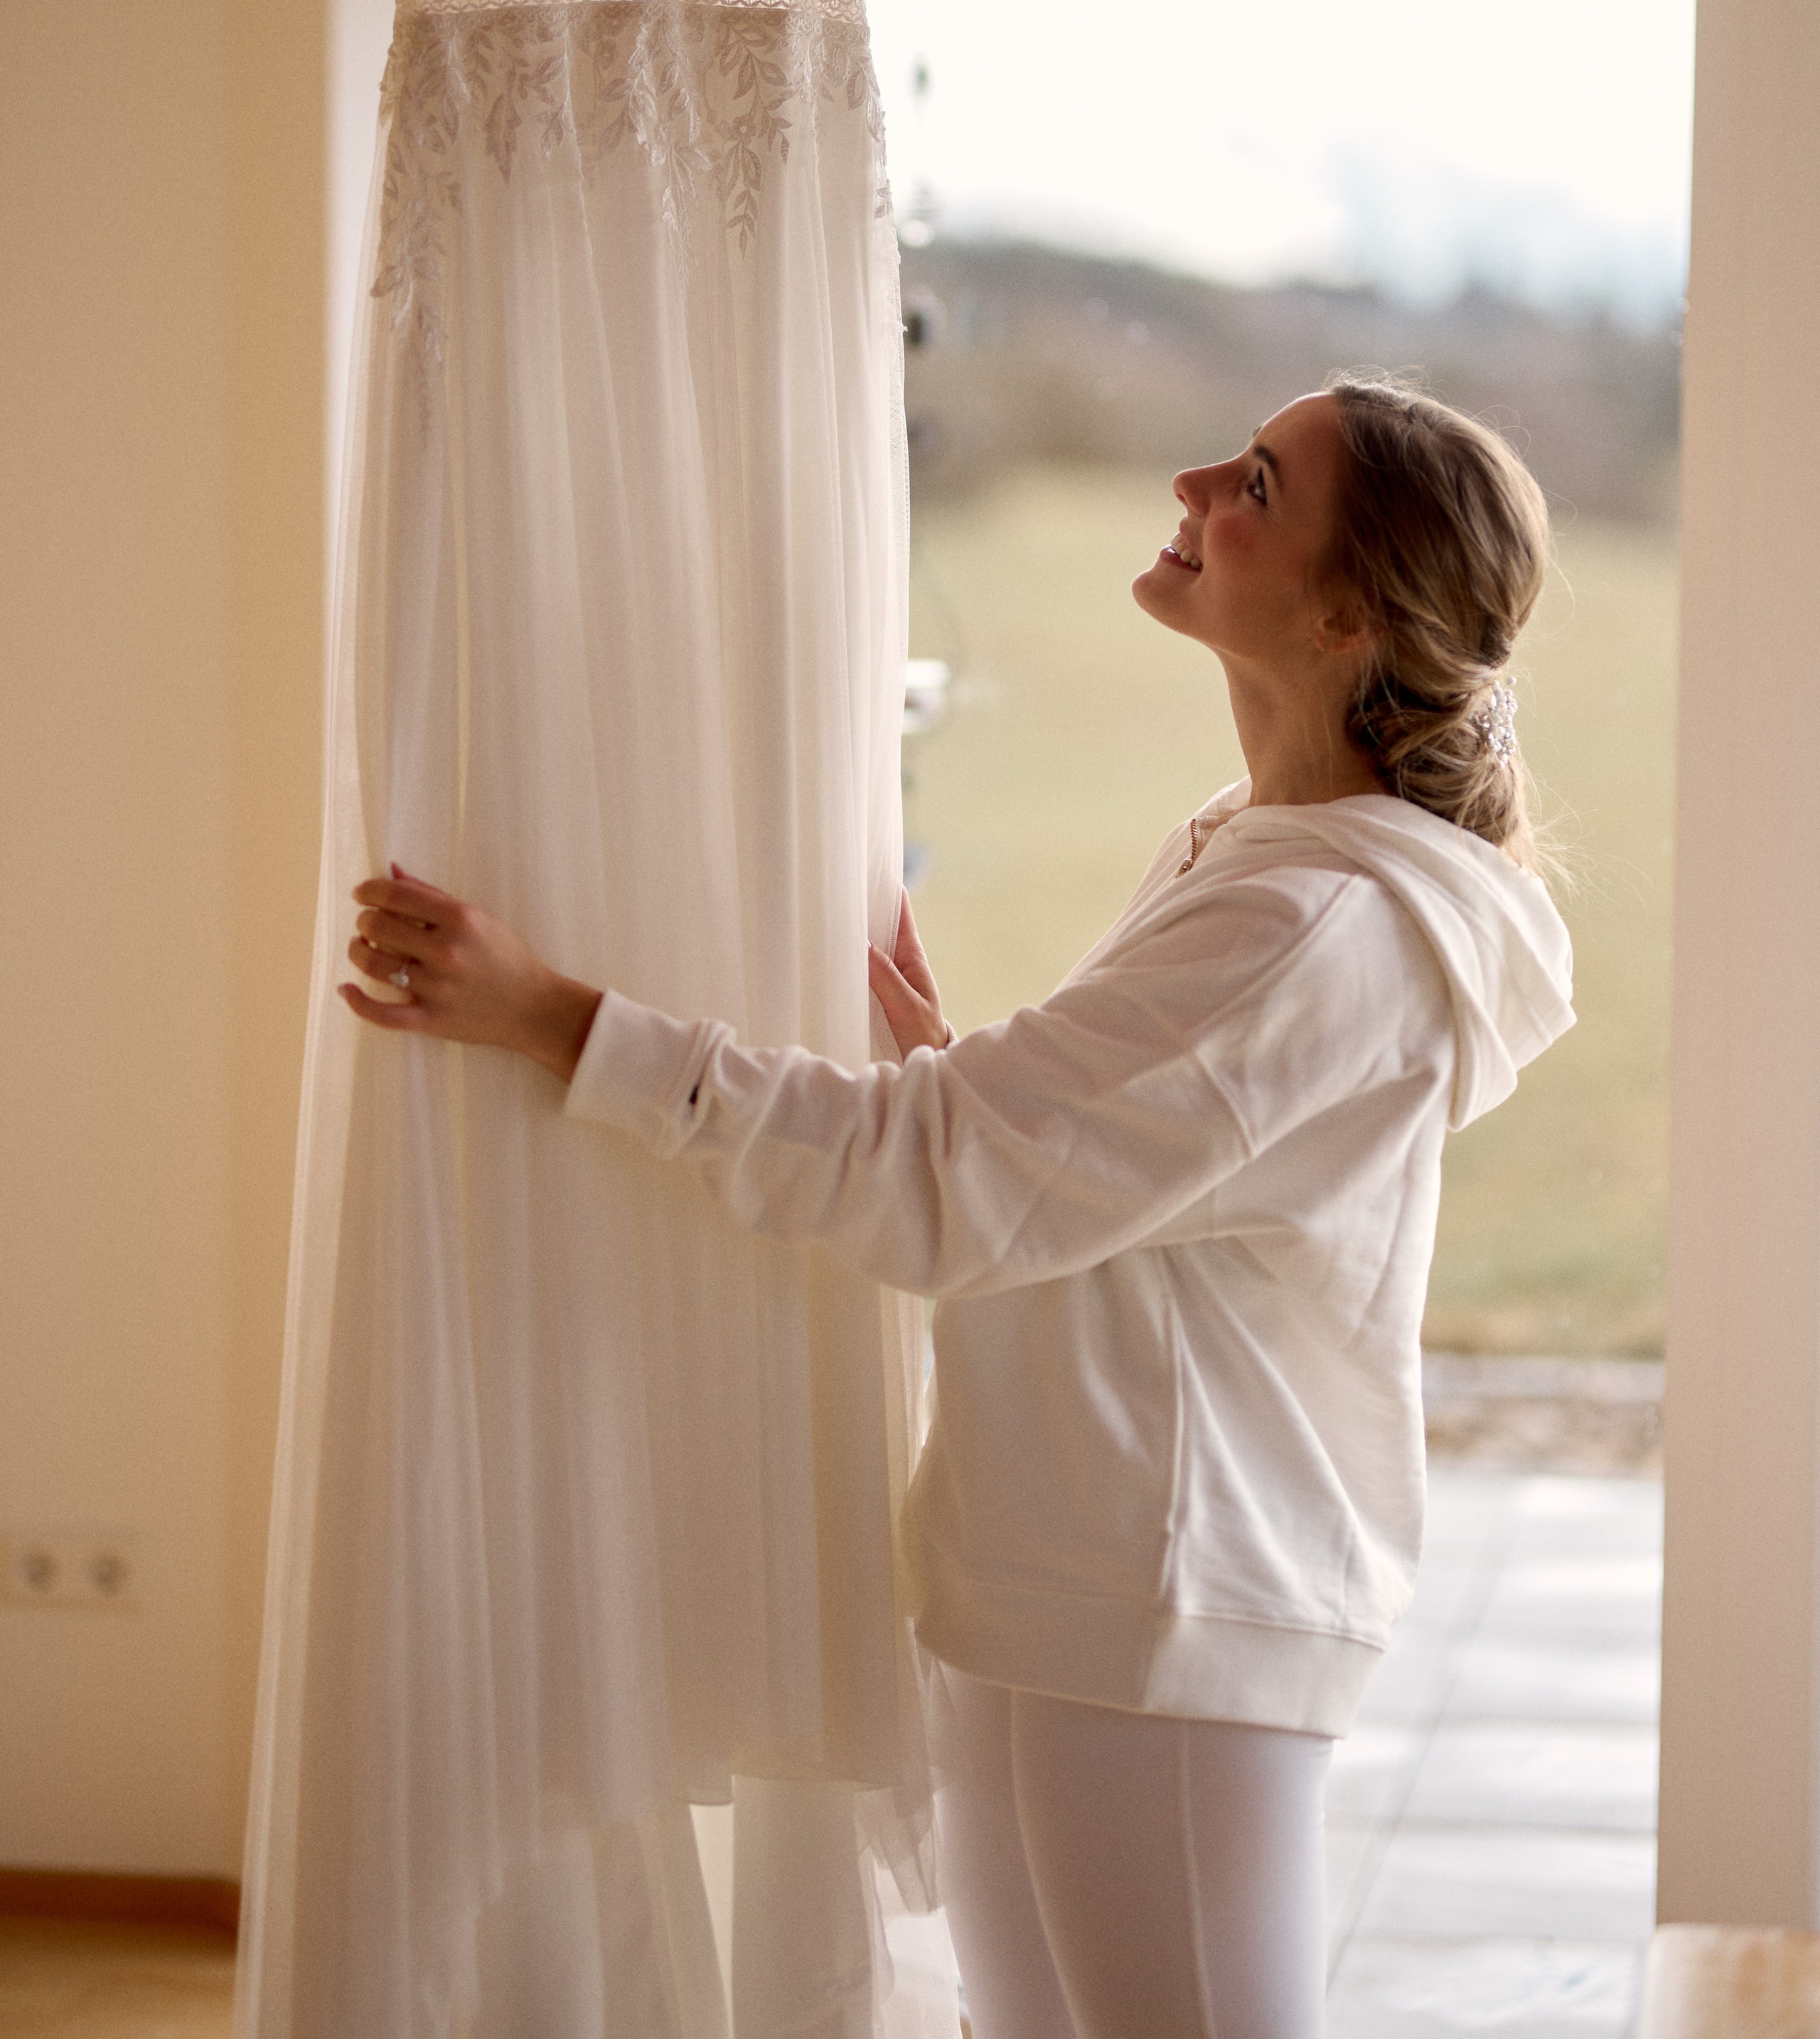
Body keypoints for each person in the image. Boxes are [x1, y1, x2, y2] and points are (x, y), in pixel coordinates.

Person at [339, 375, 1574, 2039]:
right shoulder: (1247, 852)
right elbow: (1115, 1177)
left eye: (1259, 485)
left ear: (1350, 607)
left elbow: (938, 1193)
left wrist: (557, 1018)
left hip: (1170, 1612)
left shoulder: (1314, 923)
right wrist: (956, 1068)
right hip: (1064, 1583)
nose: (1193, 474)